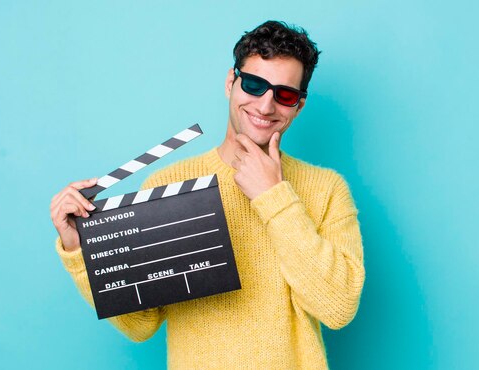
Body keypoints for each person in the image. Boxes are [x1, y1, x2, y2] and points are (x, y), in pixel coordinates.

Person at [50, 20, 365, 369]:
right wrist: (82, 250)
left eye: (284, 94)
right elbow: (140, 324)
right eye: (254, 84)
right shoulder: (168, 184)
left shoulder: (326, 189)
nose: (265, 106)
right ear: (231, 83)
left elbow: (337, 306)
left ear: (298, 105)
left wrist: (274, 196)